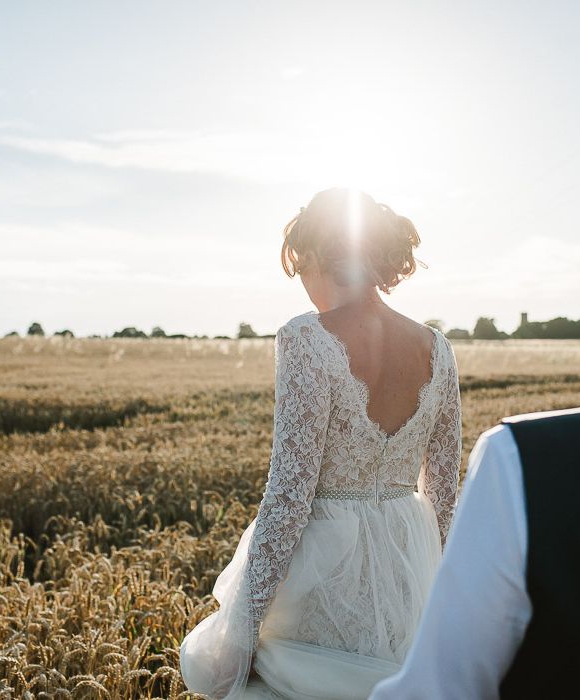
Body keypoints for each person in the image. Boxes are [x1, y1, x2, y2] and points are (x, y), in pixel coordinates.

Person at [179, 187, 463, 699]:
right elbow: (443, 493)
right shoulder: (437, 349)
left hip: (324, 573)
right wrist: (428, 590)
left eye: (301, 266)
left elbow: (289, 495)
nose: (304, 284)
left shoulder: (306, 339)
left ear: (316, 256)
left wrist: (240, 631)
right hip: (408, 566)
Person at [368, 406, 580, 700]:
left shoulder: (520, 455)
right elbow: (441, 494)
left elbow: (440, 688)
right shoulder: (440, 358)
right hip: (409, 534)